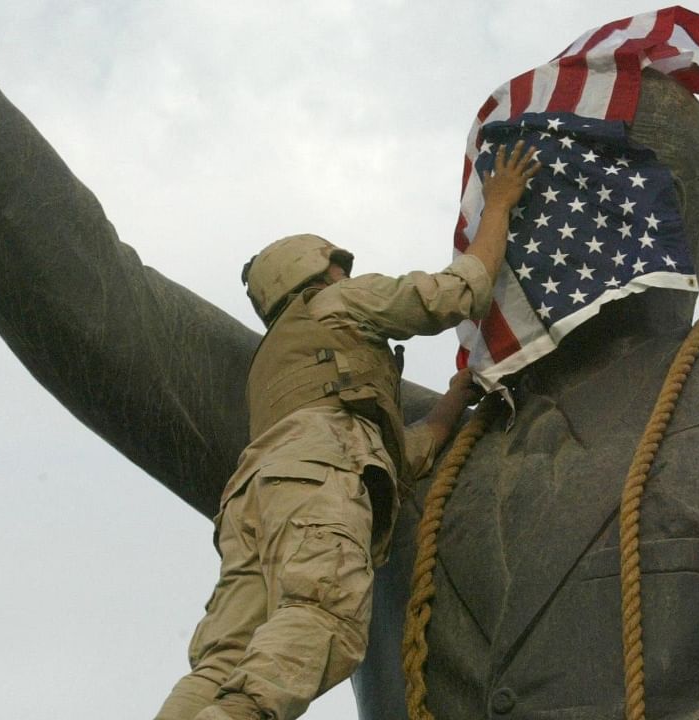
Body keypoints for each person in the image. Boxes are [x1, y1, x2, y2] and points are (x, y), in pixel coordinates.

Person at [0, 3, 699, 718]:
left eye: (526, 191)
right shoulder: (374, 451)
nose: (483, 229)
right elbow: (111, 317)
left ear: (637, 219)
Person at [159, 143, 540, 720]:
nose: (348, 273)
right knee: (323, 615)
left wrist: (458, 397)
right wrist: (500, 205)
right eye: (340, 265)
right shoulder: (334, 302)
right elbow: (461, 292)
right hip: (319, 477)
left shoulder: (277, 363)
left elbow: (394, 454)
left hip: (253, 499)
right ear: (317, 271)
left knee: (221, 659)